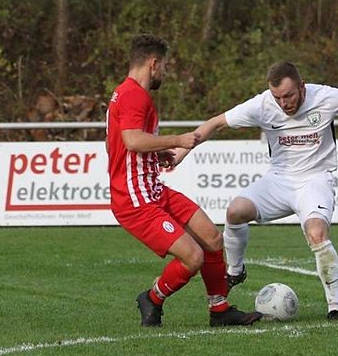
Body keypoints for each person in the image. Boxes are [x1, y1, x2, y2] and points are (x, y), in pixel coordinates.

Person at [178, 61, 338, 320]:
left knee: (317, 234)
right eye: (278, 97)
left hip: (315, 180)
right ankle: (235, 271)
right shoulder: (263, 104)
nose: (283, 103)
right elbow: (215, 123)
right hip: (278, 179)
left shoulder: (325, 97)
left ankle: (335, 307)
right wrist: (181, 150)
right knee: (235, 211)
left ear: (302, 87)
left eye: (288, 95)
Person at [106, 34, 262, 328]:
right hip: (135, 200)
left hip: (152, 189)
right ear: (153, 64)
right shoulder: (133, 95)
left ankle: (220, 310)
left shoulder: (126, 94)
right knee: (193, 257)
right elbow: (132, 140)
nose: (164, 73)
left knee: (212, 238)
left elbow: (124, 144)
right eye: (164, 67)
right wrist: (178, 140)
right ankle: (152, 298)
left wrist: (158, 153)